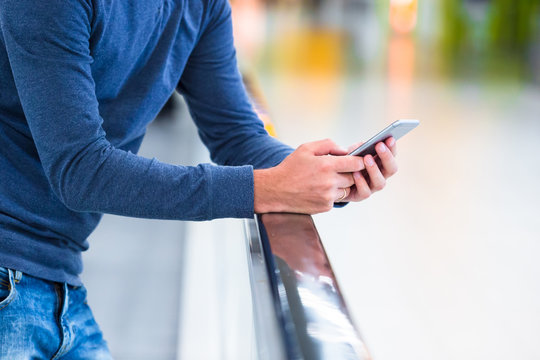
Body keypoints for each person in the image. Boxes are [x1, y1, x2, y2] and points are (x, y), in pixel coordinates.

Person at [0, 0, 398, 358]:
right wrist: (267, 189)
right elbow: (82, 171)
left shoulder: (201, 6)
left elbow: (237, 135)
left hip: (57, 285)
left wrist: (331, 174)